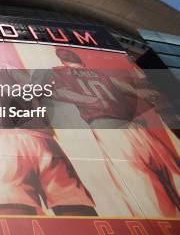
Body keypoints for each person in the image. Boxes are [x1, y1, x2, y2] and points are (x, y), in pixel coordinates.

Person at [0, 42, 96, 216]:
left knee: (13, 209)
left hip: (1, 140)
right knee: (74, 204)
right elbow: (37, 90)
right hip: (41, 138)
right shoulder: (8, 67)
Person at [51, 48, 179, 216]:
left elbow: (56, 91)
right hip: (137, 128)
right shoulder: (101, 75)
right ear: (80, 61)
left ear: (63, 61)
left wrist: (90, 100)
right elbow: (132, 90)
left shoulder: (61, 73)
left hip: (112, 132)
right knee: (173, 176)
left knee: (148, 194)